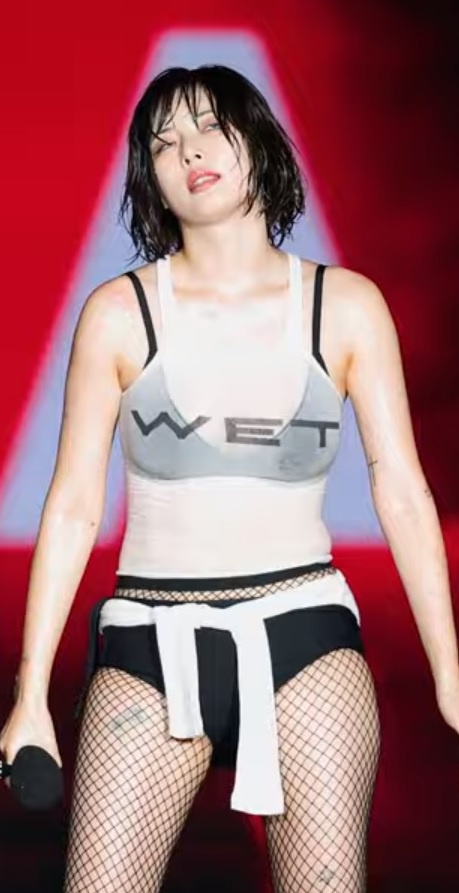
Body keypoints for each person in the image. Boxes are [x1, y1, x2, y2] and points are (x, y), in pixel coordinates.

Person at [1, 63, 458, 893]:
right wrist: (30, 695)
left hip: (305, 637)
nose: (189, 151)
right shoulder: (118, 313)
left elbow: (400, 490)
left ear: (259, 141)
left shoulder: (345, 306)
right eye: (163, 142)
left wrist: (450, 670)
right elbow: (70, 505)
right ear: (149, 177)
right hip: (148, 641)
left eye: (210, 125)